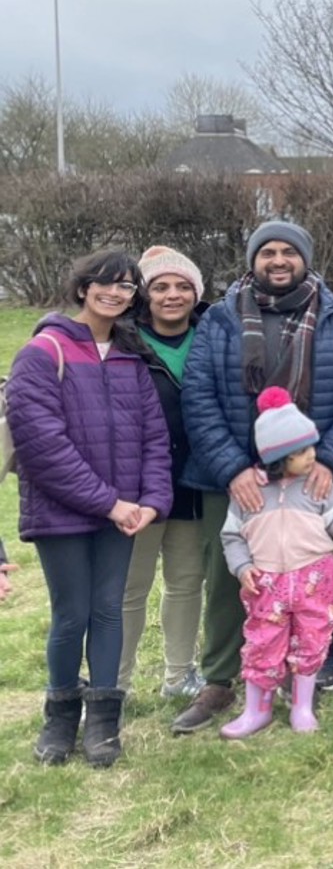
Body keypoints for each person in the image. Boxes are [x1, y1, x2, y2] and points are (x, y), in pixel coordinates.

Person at [173, 221, 333, 732]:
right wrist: (231, 468)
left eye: (290, 252)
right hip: (238, 479)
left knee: (314, 581)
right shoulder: (221, 320)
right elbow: (198, 399)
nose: (279, 261)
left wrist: (328, 458)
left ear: (306, 258)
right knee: (234, 578)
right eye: (268, 253)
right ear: (253, 260)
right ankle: (222, 678)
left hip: (316, 475)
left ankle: (303, 672)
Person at [11, 250, 172, 767]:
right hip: (64, 512)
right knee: (70, 615)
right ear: (83, 288)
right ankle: (60, 718)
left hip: (123, 514)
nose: (116, 292)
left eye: (127, 286)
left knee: (108, 612)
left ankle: (104, 722)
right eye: (106, 283)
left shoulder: (131, 356)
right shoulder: (43, 352)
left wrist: (151, 501)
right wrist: (110, 504)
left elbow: (153, 436)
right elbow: (43, 446)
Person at [218, 388, 333, 738]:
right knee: (262, 642)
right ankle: (258, 709)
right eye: (301, 452)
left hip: (316, 576)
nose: (311, 456)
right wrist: (242, 568)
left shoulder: (319, 484)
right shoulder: (249, 493)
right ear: (278, 457)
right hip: (266, 582)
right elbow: (232, 537)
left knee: (312, 640)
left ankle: (302, 705)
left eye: (311, 446)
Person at [119, 246, 209, 699]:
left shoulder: (213, 335)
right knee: (129, 588)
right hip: (135, 489)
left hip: (192, 481)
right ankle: (115, 681)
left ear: (197, 292)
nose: (172, 295)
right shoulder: (122, 342)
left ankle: (179, 674)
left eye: (182, 286)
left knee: (186, 581)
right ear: (144, 295)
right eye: (160, 287)